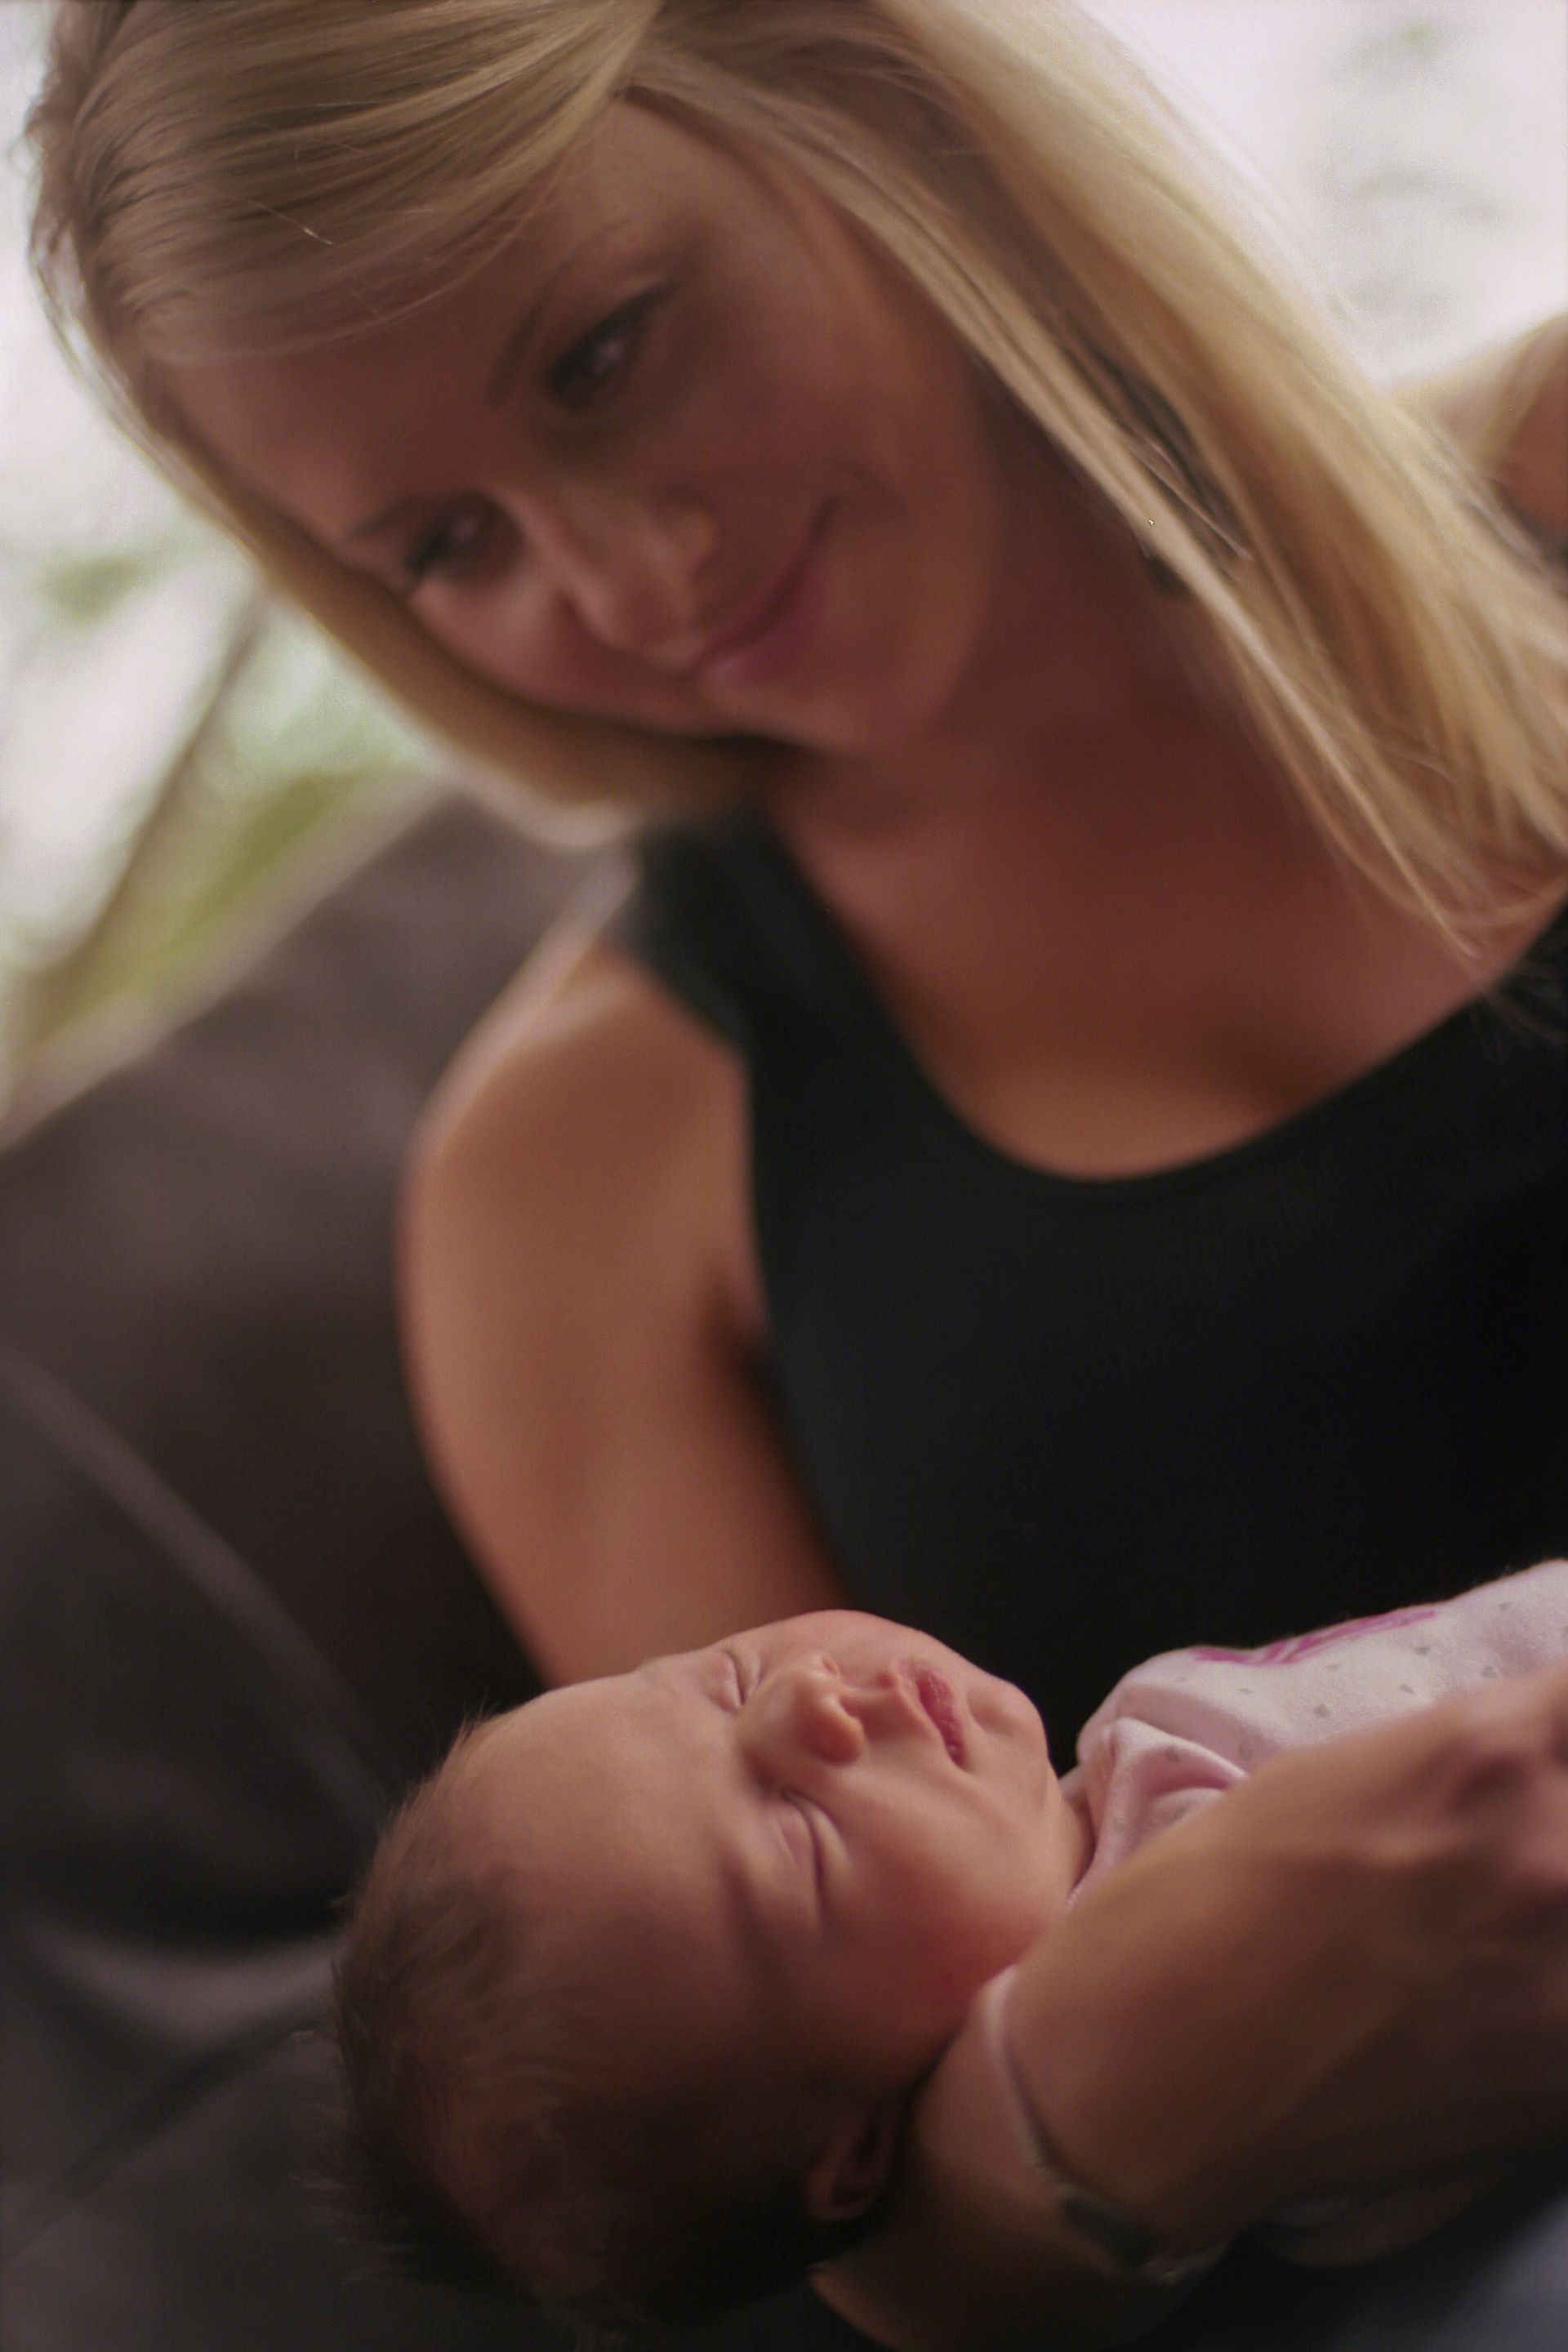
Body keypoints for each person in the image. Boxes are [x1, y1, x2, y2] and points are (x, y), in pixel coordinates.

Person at [24, 2, 1568, 2343]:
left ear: (858, 90)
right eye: (449, 544)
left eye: (606, 353)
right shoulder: (575, 1184)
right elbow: (832, 2218)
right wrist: (1115, 2092)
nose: (629, 579)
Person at [334, 1567, 1568, 2341]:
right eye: (798, 1838)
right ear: (859, 2151)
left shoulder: (1129, 1765)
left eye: (723, 1682)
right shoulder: (1226, 2001)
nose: (812, 1699)